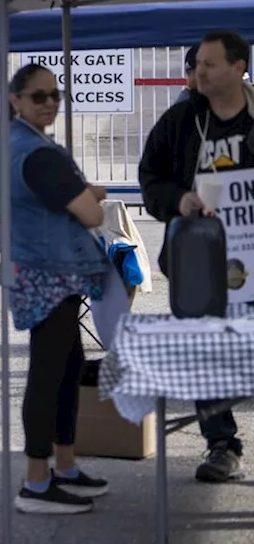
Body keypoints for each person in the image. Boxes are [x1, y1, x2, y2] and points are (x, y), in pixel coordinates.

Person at [0, 63, 111, 515]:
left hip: (40, 269)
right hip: (49, 274)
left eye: (55, 95)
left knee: (66, 365)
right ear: (16, 100)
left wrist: (82, 191)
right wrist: (88, 197)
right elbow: (90, 215)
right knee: (48, 372)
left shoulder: (14, 145)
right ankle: (36, 483)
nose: (50, 103)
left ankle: (64, 466)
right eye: (39, 96)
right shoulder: (36, 152)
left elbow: (59, 196)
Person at [140, 29, 254, 483]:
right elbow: (150, 179)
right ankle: (222, 444)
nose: (197, 72)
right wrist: (179, 199)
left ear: (238, 67)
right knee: (208, 352)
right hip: (200, 261)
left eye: (208, 64)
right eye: (195, 64)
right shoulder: (179, 121)